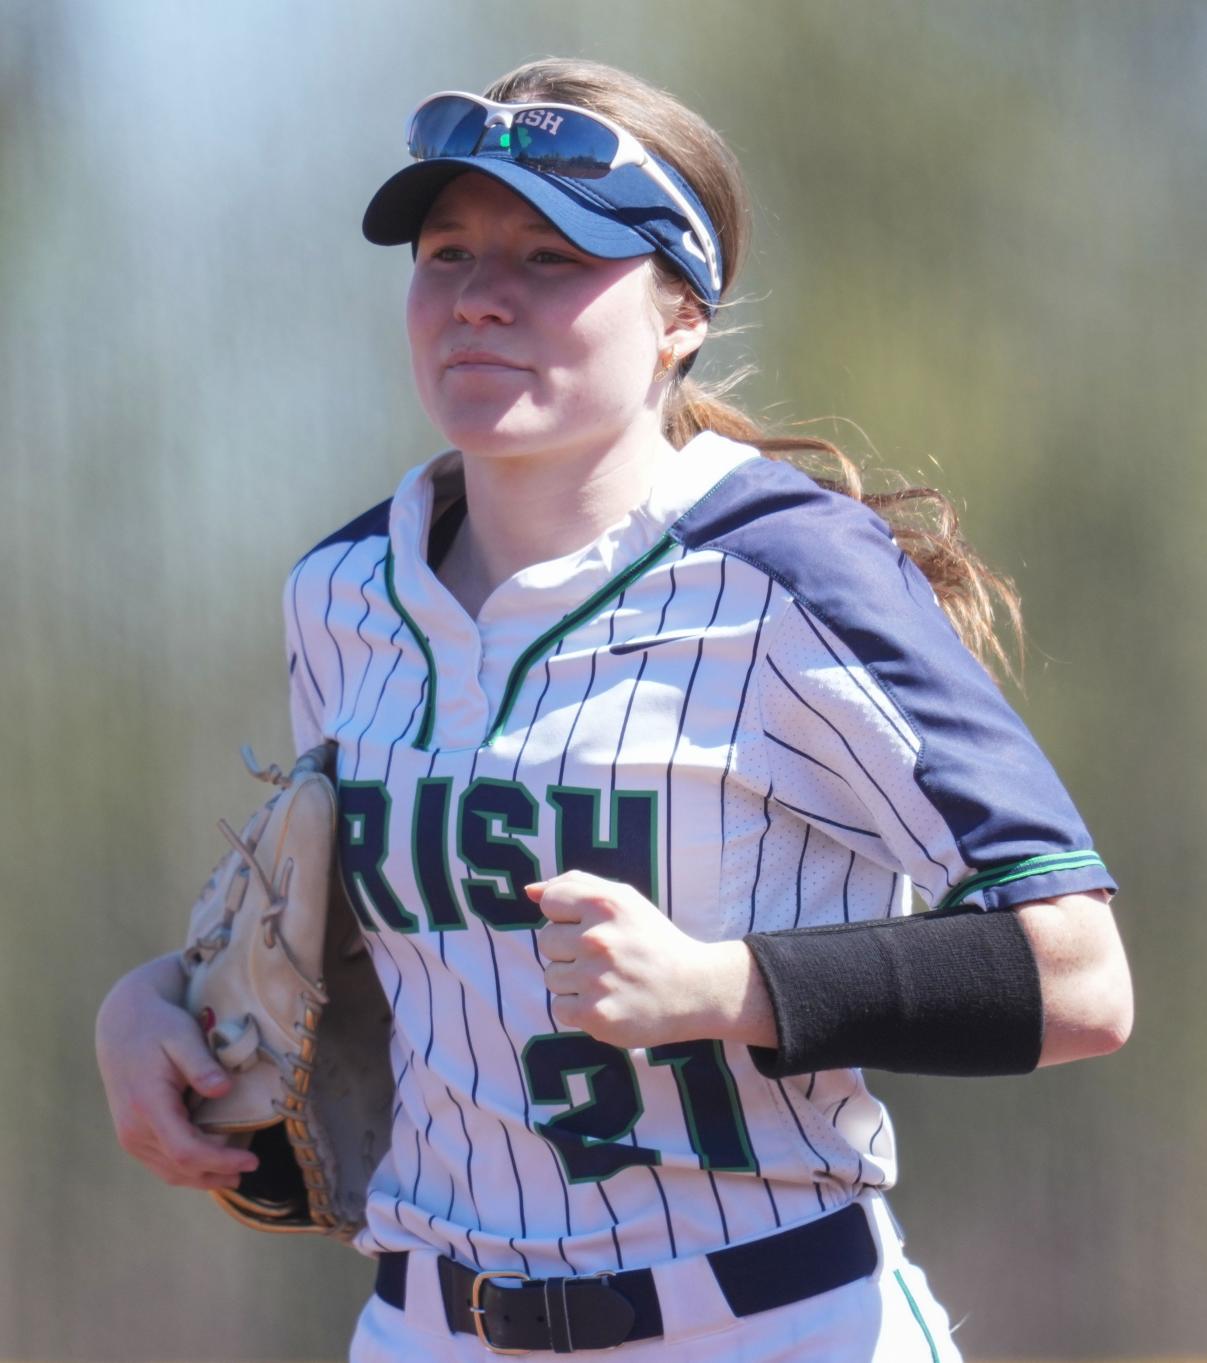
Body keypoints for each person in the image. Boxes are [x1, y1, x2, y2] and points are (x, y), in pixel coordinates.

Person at [96, 57, 1133, 1362]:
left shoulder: (789, 577)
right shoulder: (344, 593)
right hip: (431, 1327)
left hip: (768, 1322)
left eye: (550, 257)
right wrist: (151, 1005)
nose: (481, 297)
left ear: (678, 312)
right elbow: (359, 940)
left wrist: (722, 984)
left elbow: (1080, 981)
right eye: (447, 251)